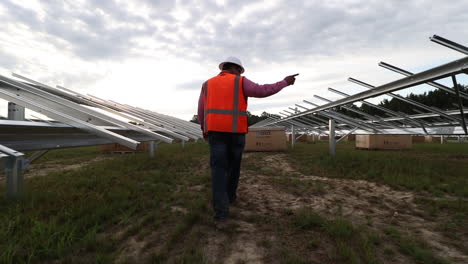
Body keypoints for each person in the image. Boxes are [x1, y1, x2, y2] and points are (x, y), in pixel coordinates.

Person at [197, 56, 298, 222]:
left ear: (223, 68)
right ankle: (230, 198)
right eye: (240, 71)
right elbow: (263, 90)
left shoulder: (207, 84)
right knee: (234, 168)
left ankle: (221, 213)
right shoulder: (240, 81)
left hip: (216, 133)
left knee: (218, 171)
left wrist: (204, 130)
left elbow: (201, 109)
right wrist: (285, 82)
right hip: (236, 133)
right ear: (236, 69)